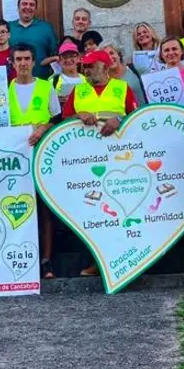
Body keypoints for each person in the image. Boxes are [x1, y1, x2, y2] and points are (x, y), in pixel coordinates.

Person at [62, 50, 138, 276]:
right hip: (87, 161)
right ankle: (98, 262)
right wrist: (79, 115)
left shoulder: (122, 88)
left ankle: (127, 259)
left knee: (119, 210)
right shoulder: (78, 90)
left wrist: (120, 119)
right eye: (83, 66)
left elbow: (137, 119)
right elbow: (63, 121)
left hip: (119, 160)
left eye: (90, 65)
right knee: (94, 212)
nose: (85, 69)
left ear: (105, 67)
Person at [9, 43, 62, 278]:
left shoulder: (45, 86)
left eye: (27, 59)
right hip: (14, 155)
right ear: (12, 62)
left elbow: (56, 118)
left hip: (39, 150)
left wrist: (42, 129)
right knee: (17, 205)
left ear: (33, 61)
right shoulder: (3, 90)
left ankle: (46, 260)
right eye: (18, 59)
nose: (22, 63)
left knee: (43, 206)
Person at [8, 0, 58, 79]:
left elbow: (54, 52)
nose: (28, 7)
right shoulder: (8, 27)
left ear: (35, 9)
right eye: (24, 4)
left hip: (42, 80)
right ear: (18, 7)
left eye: (31, 5)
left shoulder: (46, 27)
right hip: (14, 81)